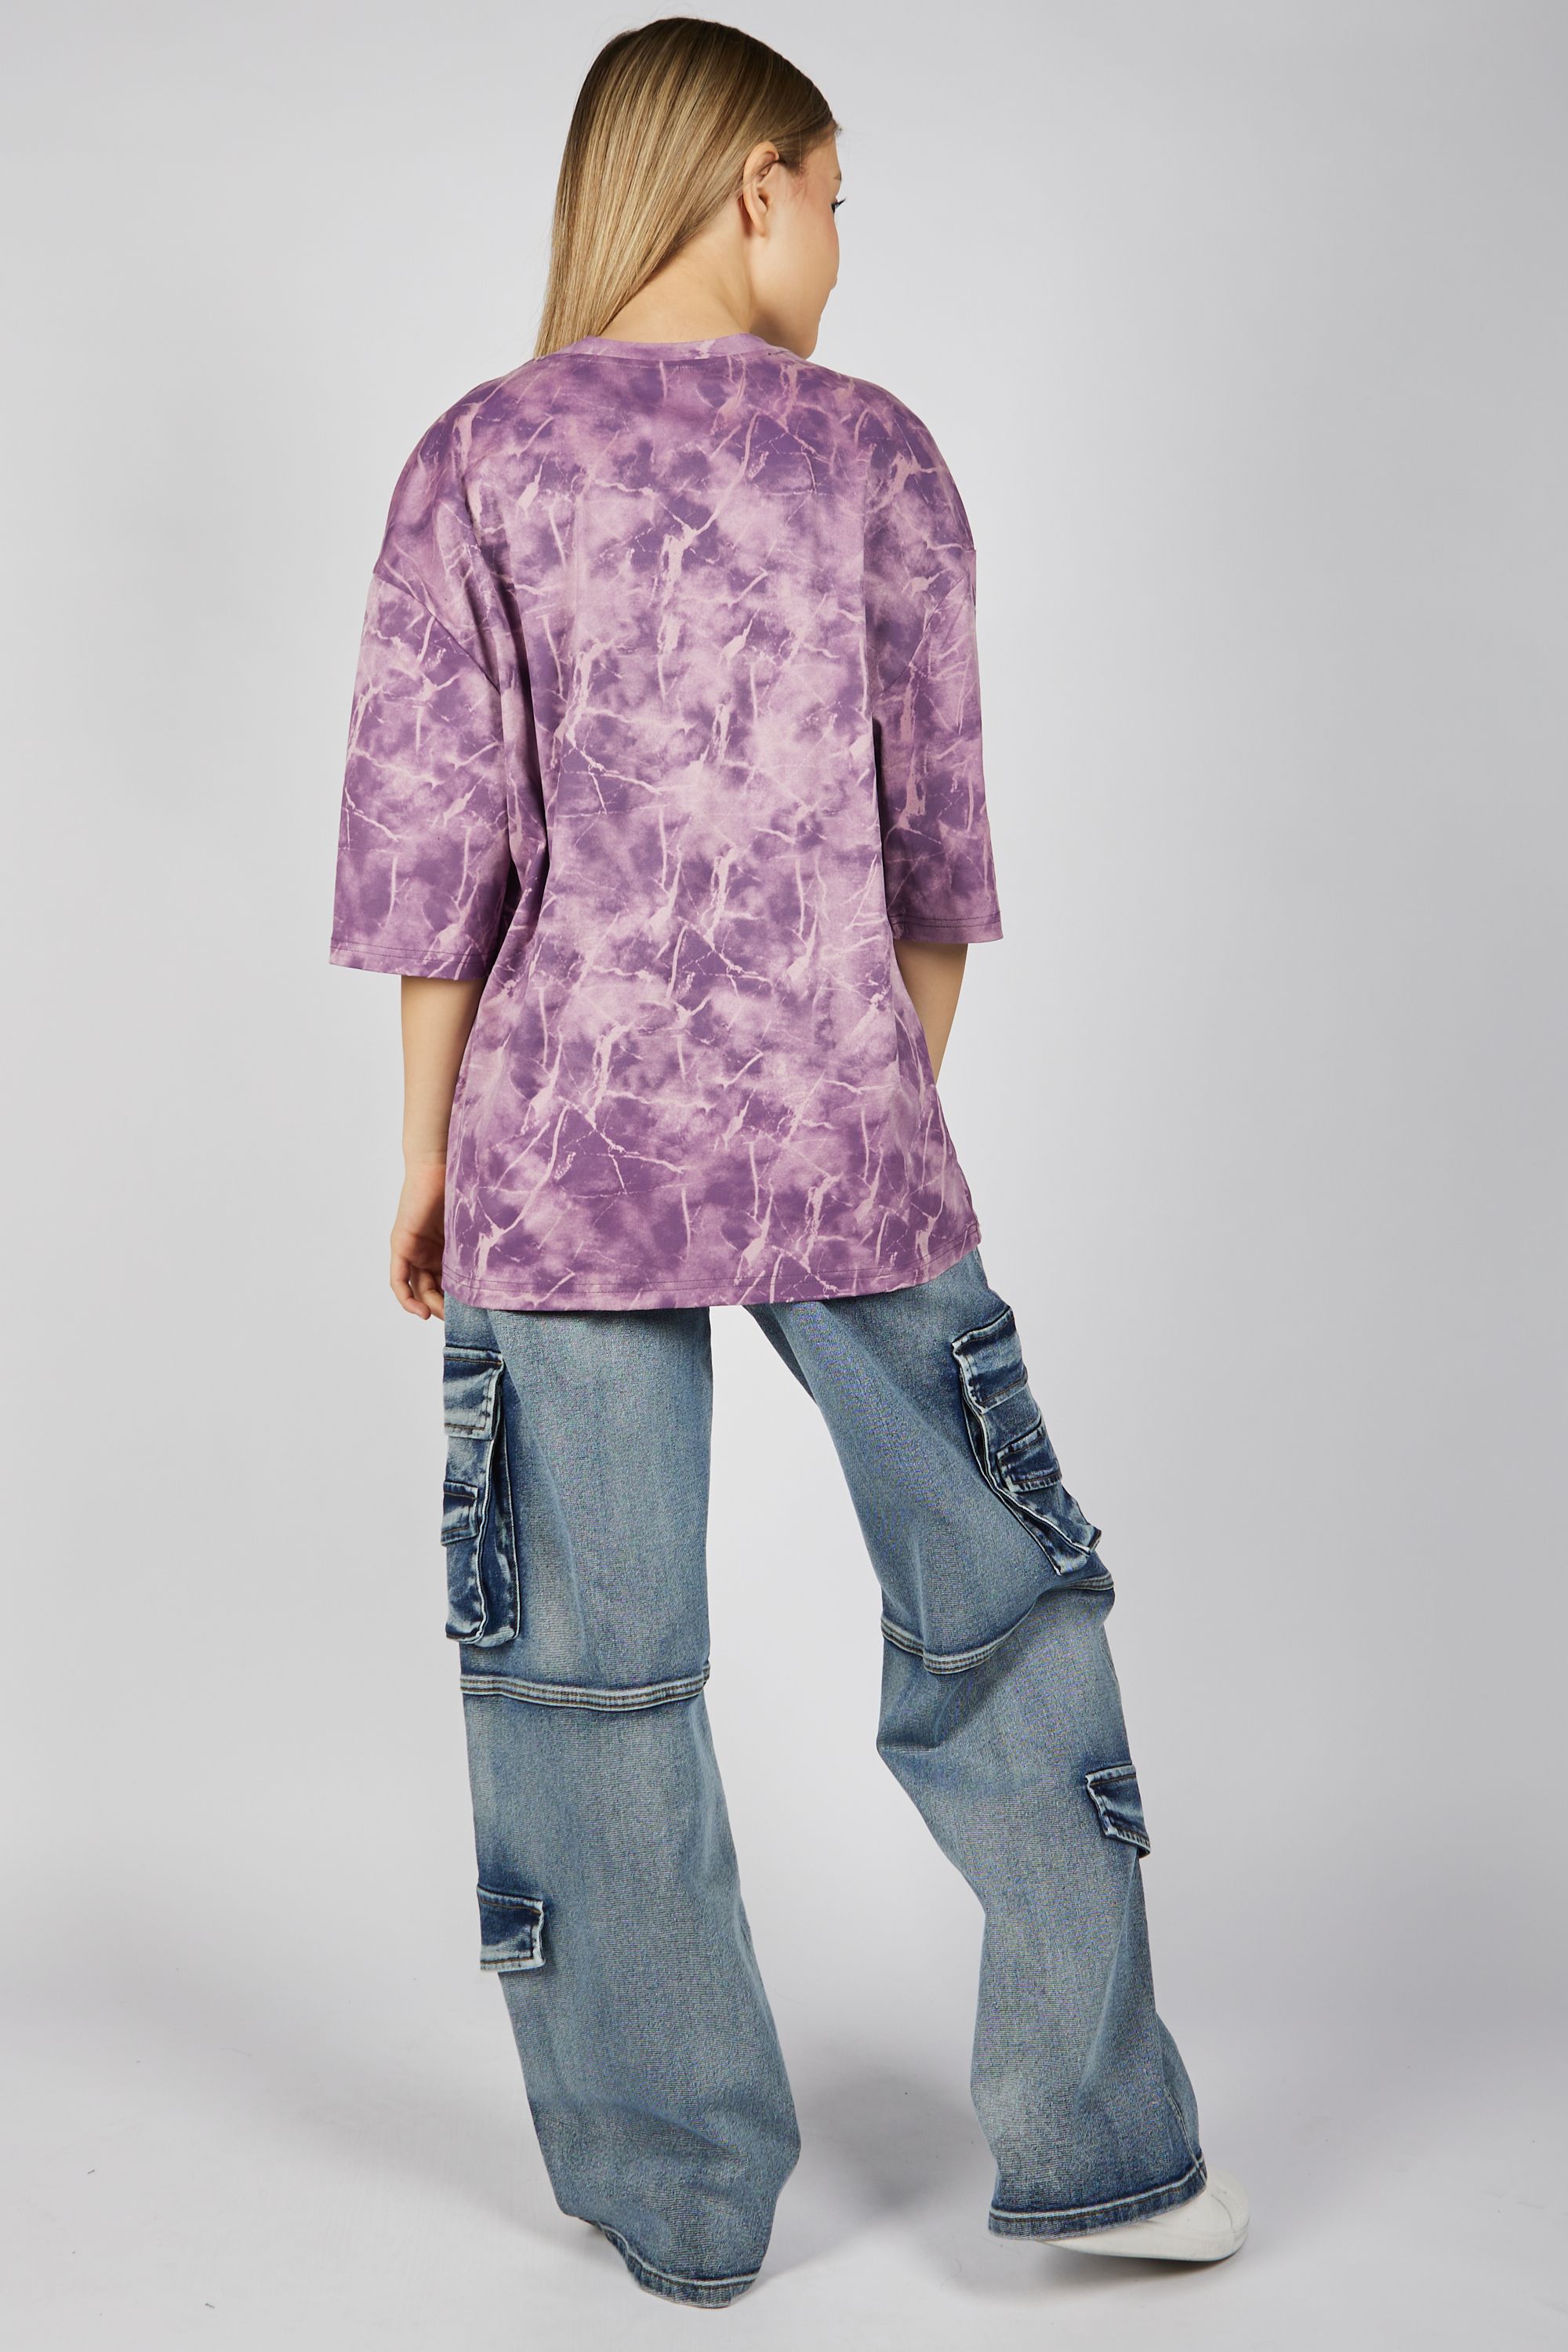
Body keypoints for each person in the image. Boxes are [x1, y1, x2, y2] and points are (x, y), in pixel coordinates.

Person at [328, 13, 1247, 2310]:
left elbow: (438, 870)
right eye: (834, 199)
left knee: (590, 1678)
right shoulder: (878, 458)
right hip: (849, 1139)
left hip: (557, 1150)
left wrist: (428, 1158)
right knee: (1007, 1618)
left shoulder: (476, 458)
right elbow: (938, 872)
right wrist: (867, 1092)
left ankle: (679, 2205)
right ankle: (1107, 2154)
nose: (838, 246)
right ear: (754, 184)